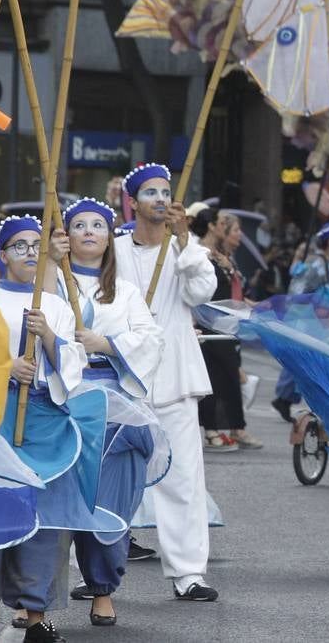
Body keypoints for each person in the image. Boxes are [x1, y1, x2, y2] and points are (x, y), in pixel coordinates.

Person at [45, 198, 166, 628]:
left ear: (109, 236)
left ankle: (103, 589)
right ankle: (34, 600)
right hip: (64, 400)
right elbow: (36, 321)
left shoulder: (126, 292)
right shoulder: (54, 285)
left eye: (98, 224)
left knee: (109, 499)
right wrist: (49, 264)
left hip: (118, 408)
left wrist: (107, 345)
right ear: (67, 235)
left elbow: (151, 339)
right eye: (79, 225)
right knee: (54, 499)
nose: (89, 231)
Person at [112, 164, 220, 603]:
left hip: (175, 376)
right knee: (107, 475)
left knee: (183, 478)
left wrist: (184, 242)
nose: (160, 198)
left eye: (165, 191)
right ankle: (96, 573)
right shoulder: (114, 249)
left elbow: (202, 292)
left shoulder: (184, 248)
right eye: (150, 192)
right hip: (123, 376)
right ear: (133, 202)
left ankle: (188, 573)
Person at [0, 215, 99, 643]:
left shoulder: (53, 305)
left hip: (44, 421)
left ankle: (37, 616)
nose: (30, 253)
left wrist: (49, 336)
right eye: (19, 246)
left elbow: (75, 365)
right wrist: (5, 369)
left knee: (45, 522)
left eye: (36, 245)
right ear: (2, 255)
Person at [191, 206, 261, 452]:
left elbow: (233, 291)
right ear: (212, 227)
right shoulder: (197, 253)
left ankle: (233, 427)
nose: (226, 228)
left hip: (226, 323)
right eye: (222, 224)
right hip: (207, 323)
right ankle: (212, 430)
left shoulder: (221, 255)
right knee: (213, 377)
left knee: (228, 376)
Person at [272, 221, 329, 421]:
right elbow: (297, 293)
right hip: (310, 321)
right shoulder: (316, 265)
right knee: (301, 362)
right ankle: (284, 398)